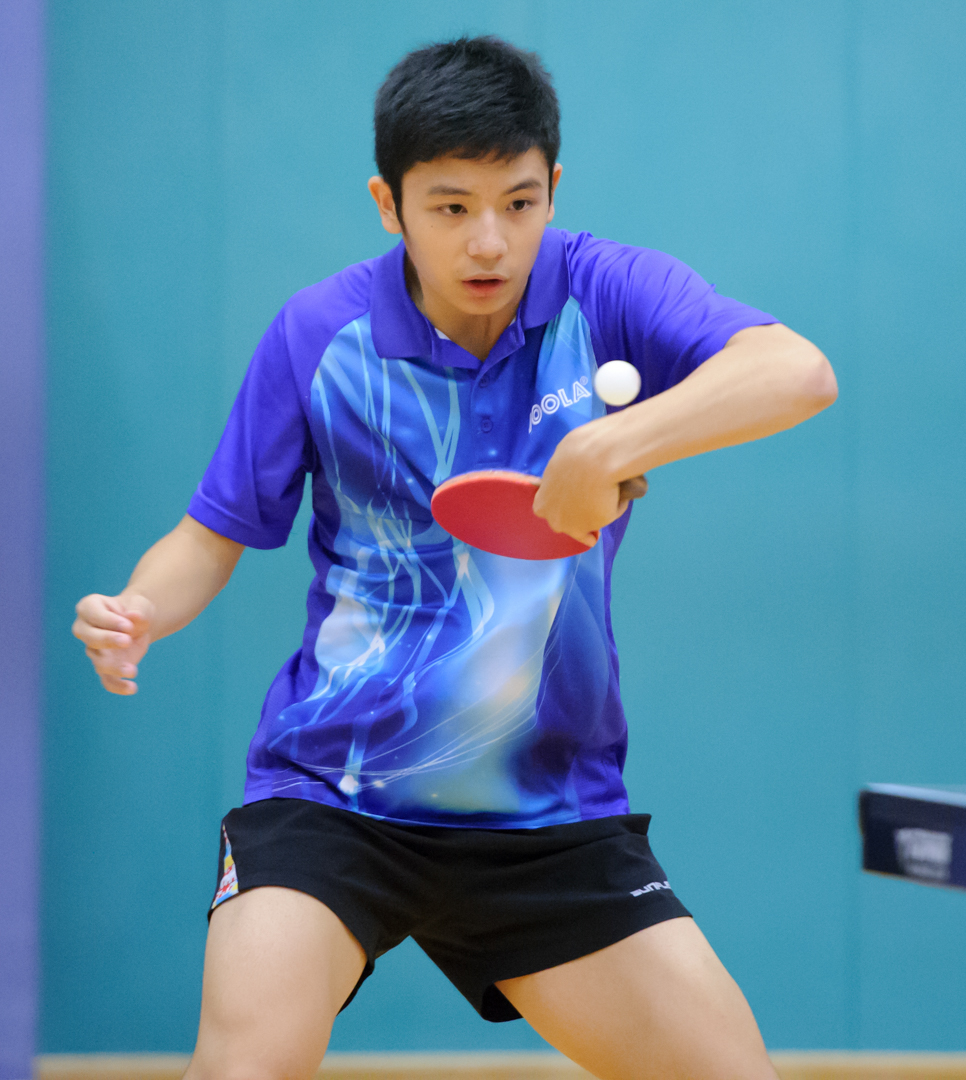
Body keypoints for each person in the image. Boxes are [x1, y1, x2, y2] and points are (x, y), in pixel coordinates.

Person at [72, 35, 835, 1080]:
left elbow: (797, 372)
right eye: (451, 207)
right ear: (388, 205)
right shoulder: (319, 335)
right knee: (244, 1068)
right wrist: (138, 610)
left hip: (548, 806)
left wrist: (610, 445)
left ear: (553, 186)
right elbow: (211, 536)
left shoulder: (606, 291)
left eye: (520, 203)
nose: (489, 241)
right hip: (333, 794)